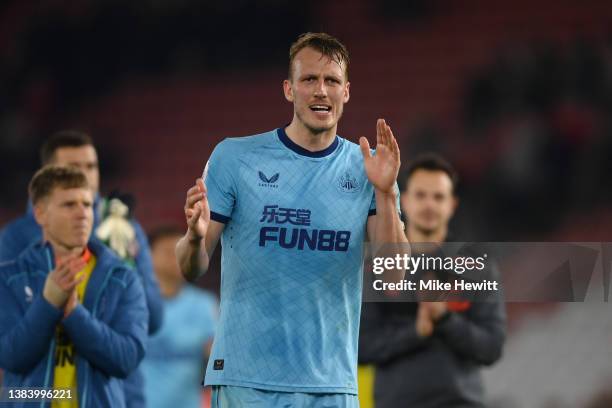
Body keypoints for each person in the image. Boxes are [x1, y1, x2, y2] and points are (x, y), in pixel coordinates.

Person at [175, 32, 407, 407]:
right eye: (309, 79)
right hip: (245, 379)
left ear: (346, 92)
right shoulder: (234, 158)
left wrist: (384, 191)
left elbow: (394, 275)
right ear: (288, 89)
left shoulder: (368, 169)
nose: (321, 91)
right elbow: (191, 267)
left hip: (331, 385)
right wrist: (192, 236)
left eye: (331, 81)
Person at [0, 131, 163, 408]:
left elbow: (151, 323)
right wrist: (49, 303)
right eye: (73, 168)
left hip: (117, 394)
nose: (86, 176)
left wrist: (75, 313)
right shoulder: (14, 250)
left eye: (91, 166)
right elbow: (11, 356)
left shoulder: (123, 244)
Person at [358, 153, 506, 408]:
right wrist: (416, 331)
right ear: (404, 200)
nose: (429, 204)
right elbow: (360, 348)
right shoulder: (376, 267)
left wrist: (445, 319)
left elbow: (491, 348)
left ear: (452, 204)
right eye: (420, 195)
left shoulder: (476, 267)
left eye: (438, 197)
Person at [141, 226, 217, 408]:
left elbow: (217, 358)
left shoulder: (204, 305)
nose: (176, 258)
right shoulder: (132, 303)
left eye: (181, 251)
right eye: (168, 251)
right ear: (147, 256)